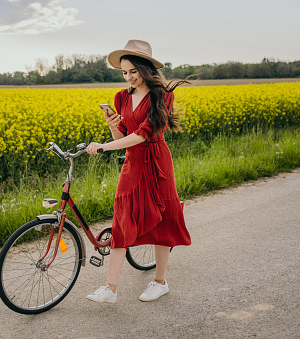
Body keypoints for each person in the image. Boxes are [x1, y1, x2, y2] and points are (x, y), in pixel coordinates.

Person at [86, 40, 192, 303]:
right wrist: (112, 126)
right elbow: (124, 134)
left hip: (156, 162)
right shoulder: (121, 97)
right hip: (133, 162)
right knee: (122, 219)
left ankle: (160, 281)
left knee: (164, 220)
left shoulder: (163, 95)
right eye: (124, 72)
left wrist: (105, 147)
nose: (128, 77)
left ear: (146, 69)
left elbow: (144, 135)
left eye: (133, 71)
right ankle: (110, 288)